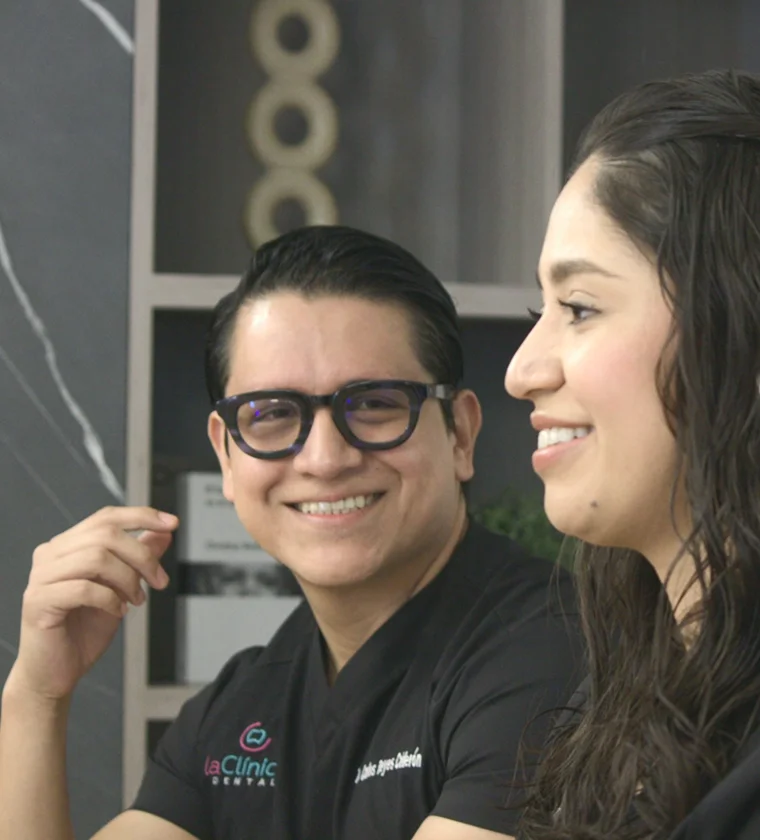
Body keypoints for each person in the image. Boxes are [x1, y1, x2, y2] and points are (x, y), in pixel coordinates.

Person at [0, 226, 582, 840]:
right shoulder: (241, 703)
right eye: (274, 414)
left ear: (460, 435)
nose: (325, 459)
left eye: (376, 402)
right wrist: (36, 694)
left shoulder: (552, 653)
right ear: (227, 457)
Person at [505, 69, 760, 840]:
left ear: (740, 330)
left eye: (579, 308)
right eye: (539, 311)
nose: (523, 370)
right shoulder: (628, 690)